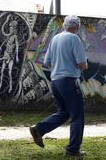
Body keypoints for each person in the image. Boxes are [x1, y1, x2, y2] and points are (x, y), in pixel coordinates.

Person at [29, 15, 88, 157]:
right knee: (77, 116)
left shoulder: (55, 38)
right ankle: (73, 150)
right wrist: (82, 65)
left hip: (56, 81)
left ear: (64, 25)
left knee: (64, 112)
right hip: (69, 81)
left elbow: (47, 62)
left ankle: (39, 129)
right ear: (77, 26)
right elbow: (82, 64)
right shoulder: (74, 38)